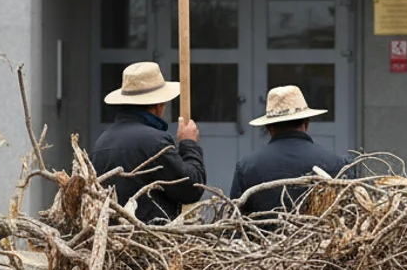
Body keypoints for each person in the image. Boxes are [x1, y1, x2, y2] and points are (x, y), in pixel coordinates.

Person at [92, 61, 205, 224]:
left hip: (112, 239)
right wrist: (189, 144)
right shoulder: (155, 141)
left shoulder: (103, 140)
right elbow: (190, 189)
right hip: (149, 238)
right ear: (159, 105)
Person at [230, 85, 352, 216]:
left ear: (269, 128)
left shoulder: (248, 166)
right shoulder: (338, 163)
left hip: (263, 236)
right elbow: (349, 214)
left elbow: (236, 221)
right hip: (323, 236)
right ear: (306, 123)